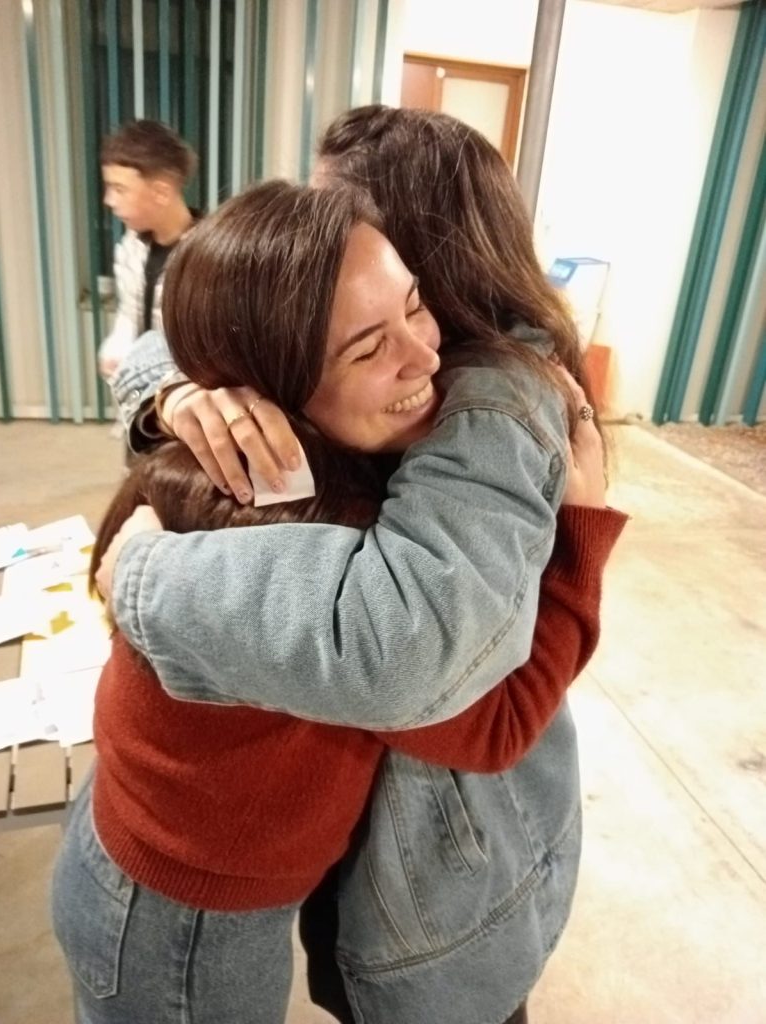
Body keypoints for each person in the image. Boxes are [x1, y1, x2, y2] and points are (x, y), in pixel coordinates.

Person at [52, 180, 625, 1024]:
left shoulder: (334, 465)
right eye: (366, 348)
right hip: (175, 921)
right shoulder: (308, 535)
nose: (427, 358)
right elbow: (491, 721)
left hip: (194, 885)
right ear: (272, 384)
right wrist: (578, 533)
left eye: (417, 304)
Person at [97, 119, 198, 382]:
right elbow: (131, 310)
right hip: (140, 391)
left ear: (161, 193)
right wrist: (118, 346)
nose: (109, 200)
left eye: (120, 189)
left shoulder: (209, 259)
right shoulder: (131, 247)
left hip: (186, 404)